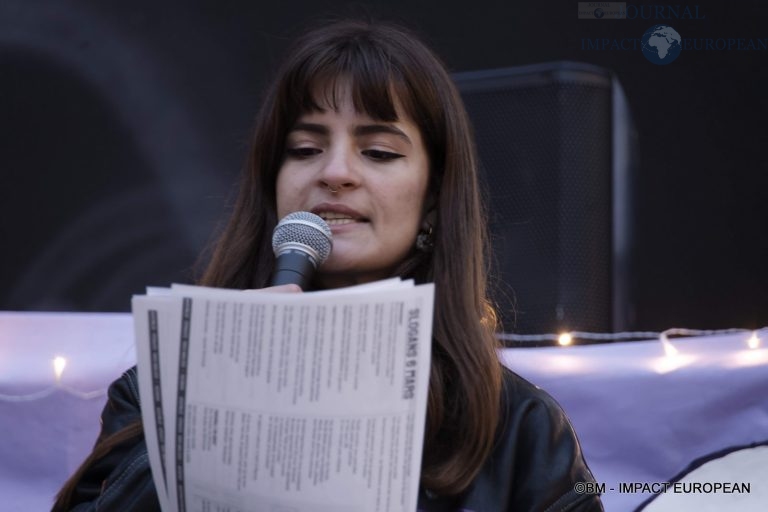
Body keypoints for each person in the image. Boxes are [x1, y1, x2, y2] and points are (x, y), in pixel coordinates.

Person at [53, 19, 603, 512]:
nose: (335, 172)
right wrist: (217, 406)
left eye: (379, 152)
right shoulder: (160, 388)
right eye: (304, 149)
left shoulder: (521, 428)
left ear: (433, 197)